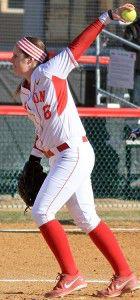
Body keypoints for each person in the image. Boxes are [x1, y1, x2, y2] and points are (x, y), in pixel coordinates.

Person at [12, 3, 140, 298]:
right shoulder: (27, 91)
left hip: (73, 153)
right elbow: (41, 129)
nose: (13, 59)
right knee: (87, 218)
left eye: (18, 55)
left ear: (30, 60)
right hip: (59, 156)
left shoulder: (49, 70)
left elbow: (78, 45)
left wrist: (107, 17)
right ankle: (125, 275)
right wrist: (33, 159)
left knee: (43, 210)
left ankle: (71, 275)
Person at [123, 17, 140, 106]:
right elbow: (126, 45)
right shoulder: (133, 27)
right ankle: (135, 118)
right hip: (137, 69)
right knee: (136, 99)